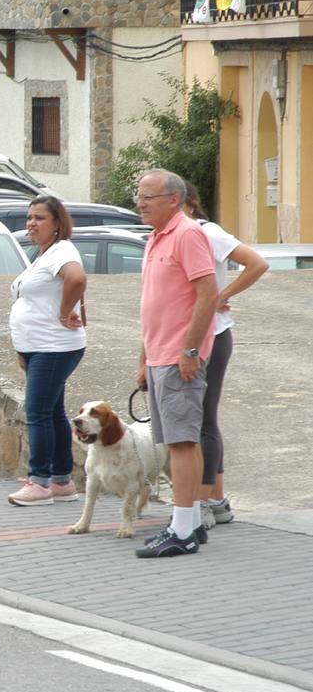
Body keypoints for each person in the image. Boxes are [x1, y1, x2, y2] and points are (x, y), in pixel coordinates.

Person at [133, 168, 219, 558]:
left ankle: (182, 530)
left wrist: (189, 351)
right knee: (181, 440)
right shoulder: (156, 238)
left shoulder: (187, 233)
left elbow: (207, 294)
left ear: (174, 199)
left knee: (182, 442)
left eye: (148, 196)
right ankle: (193, 521)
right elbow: (154, 305)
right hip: (160, 355)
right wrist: (144, 358)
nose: (140, 203)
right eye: (139, 196)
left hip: (178, 356)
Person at [182, 181, 268, 529]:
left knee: (203, 419)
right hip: (188, 334)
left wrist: (222, 294)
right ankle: (216, 499)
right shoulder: (173, 236)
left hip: (212, 336)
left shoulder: (207, 232)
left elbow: (257, 263)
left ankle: (203, 501)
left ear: (187, 204)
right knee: (200, 418)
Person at [5, 195, 88, 506]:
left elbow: (77, 279)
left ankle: (39, 483)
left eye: (39, 218)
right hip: (37, 347)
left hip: (54, 347)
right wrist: (22, 348)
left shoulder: (62, 251)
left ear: (57, 224)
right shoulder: (43, 255)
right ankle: (62, 481)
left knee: (36, 412)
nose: (31, 223)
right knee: (52, 412)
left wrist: (66, 312)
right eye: (29, 218)